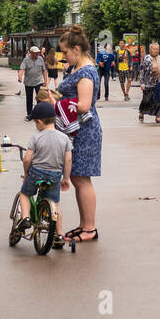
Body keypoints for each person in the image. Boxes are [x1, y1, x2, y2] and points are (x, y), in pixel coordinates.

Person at [58, 25, 102, 243]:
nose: (64, 57)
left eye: (65, 52)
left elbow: (84, 105)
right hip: (75, 130)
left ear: (76, 49)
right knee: (76, 177)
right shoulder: (77, 69)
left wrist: (58, 103)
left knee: (82, 179)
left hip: (84, 131)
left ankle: (90, 228)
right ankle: (84, 224)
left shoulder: (87, 71)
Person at [15, 99, 72, 240]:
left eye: (35, 123)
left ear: (39, 122)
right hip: (55, 174)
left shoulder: (36, 137)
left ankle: (26, 218)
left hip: (37, 172)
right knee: (56, 205)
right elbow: (68, 160)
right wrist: (66, 178)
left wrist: (26, 173)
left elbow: (27, 159)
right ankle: (58, 235)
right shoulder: (64, 138)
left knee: (25, 194)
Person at [138, 42, 160, 124]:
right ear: (150, 49)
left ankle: (157, 116)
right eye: (154, 49)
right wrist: (142, 83)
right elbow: (142, 71)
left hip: (159, 82)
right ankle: (141, 112)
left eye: (157, 49)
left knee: (159, 100)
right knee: (146, 100)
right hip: (148, 83)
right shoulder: (147, 59)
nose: (156, 50)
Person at [18, 45, 47, 118]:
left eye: (38, 53)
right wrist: (20, 76)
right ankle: (29, 114)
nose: (37, 54)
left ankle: (40, 113)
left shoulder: (40, 59)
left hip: (39, 81)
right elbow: (21, 69)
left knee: (40, 98)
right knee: (29, 99)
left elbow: (44, 70)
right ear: (31, 53)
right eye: (35, 53)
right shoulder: (26, 60)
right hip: (28, 82)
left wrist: (45, 81)